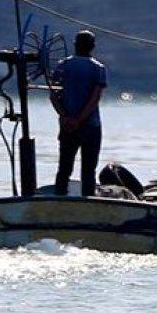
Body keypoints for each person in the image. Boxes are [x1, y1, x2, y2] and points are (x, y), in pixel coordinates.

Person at [50, 30, 108, 196]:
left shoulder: (62, 65)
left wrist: (65, 117)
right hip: (91, 126)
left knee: (64, 168)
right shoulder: (98, 68)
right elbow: (94, 99)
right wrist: (80, 120)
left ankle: (58, 199)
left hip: (67, 126)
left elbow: (53, 96)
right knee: (88, 170)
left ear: (75, 45)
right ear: (93, 46)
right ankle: (88, 201)